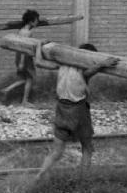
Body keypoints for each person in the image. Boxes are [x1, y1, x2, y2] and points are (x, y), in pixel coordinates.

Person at [33, 41, 119, 181]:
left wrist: (38, 46)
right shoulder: (83, 69)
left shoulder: (62, 63)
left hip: (61, 109)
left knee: (56, 151)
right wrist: (102, 64)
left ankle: (40, 174)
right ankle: (83, 180)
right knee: (87, 147)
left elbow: (38, 62)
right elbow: (90, 71)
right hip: (78, 111)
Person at [1, 9, 40, 106]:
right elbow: (24, 47)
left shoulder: (21, 31)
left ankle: (7, 89)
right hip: (25, 57)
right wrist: (22, 62)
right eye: (36, 20)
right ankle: (24, 101)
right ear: (31, 21)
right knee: (30, 78)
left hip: (18, 56)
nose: (37, 22)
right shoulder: (28, 32)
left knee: (24, 79)